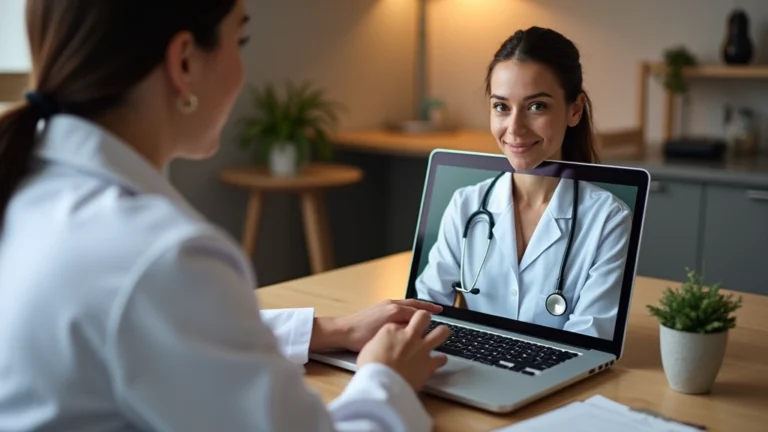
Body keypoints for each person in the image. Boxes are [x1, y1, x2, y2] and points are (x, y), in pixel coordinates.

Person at [0, 1, 452, 431]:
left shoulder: (31, 189)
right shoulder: (162, 256)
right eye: (241, 39)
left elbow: (167, 329)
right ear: (184, 62)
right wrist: (386, 377)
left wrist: (331, 329)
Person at [415, 27, 632, 341]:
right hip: (468, 363)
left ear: (574, 110)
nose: (514, 128)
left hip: (559, 369)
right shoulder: (466, 205)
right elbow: (426, 308)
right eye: (501, 107)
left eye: (536, 106)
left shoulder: (608, 220)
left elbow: (589, 338)